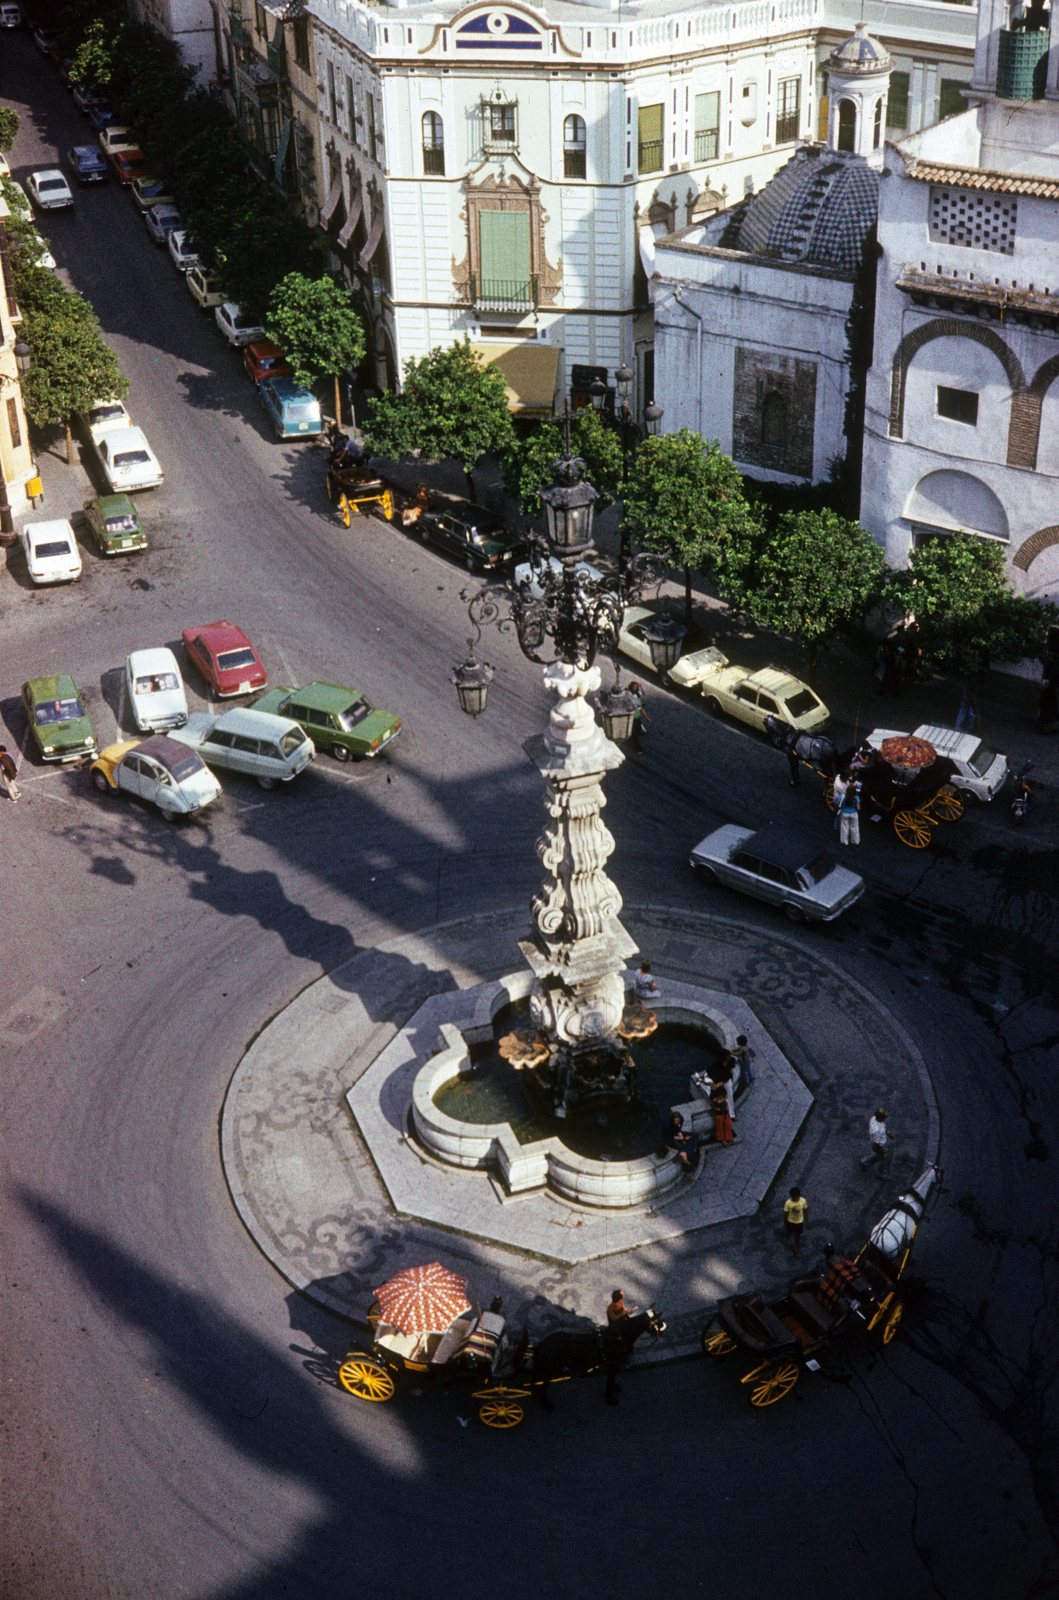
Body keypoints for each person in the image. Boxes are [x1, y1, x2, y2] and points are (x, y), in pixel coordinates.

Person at [861, 1107, 895, 1176]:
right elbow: (876, 1144)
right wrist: (883, 1153)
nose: (884, 1120)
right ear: (880, 1118)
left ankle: (864, 1162)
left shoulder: (874, 1118)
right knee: (883, 1158)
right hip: (879, 1145)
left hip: (879, 1143)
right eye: (883, 1118)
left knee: (878, 1155)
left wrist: (888, 1133)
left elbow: (882, 1127)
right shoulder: (876, 1130)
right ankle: (880, 1173)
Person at [783, 1187, 808, 1257]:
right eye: (794, 1198)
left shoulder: (803, 1201)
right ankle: (788, 1236)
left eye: (797, 1197)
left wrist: (807, 1221)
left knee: (797, 1235)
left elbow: (805, 1210)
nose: (796, 1199)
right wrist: (784, 1222)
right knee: (789, 1231)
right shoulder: (788, 1203)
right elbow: (786, 1213)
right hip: (790, 1221)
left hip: (799, 1222)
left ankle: (795, 1247)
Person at [708, 1079, 733, 1145]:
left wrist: (727, 1108)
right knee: (720, 1127)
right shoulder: (715, 1099)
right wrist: (716, 1108)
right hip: (718, 1115)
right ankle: (722, 1139)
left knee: (727, 1125)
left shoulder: (724, 1097)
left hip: (725, 1113)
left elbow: (726, 1103)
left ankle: (728, 1137)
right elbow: (712, 1104)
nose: (721, 1096)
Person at [839, 775, 861, 847]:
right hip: (853, 814)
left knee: (844, 827)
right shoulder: (856, 797)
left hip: (844, 813)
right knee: (854, 827)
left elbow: (838, 804)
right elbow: (858, 808)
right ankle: (855, 840)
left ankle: (844, 841)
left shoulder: (842, 796)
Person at [629, 682, 648, 753]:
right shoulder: (630, 695)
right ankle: (638, 749)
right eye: (634, 687)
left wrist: (640, 686)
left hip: (637, 716)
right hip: (632, 717)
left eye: (636, 687)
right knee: (634, 734)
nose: (635, 688)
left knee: (638, 726)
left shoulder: (637, 694)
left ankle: (638, 732)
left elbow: (643, 693)